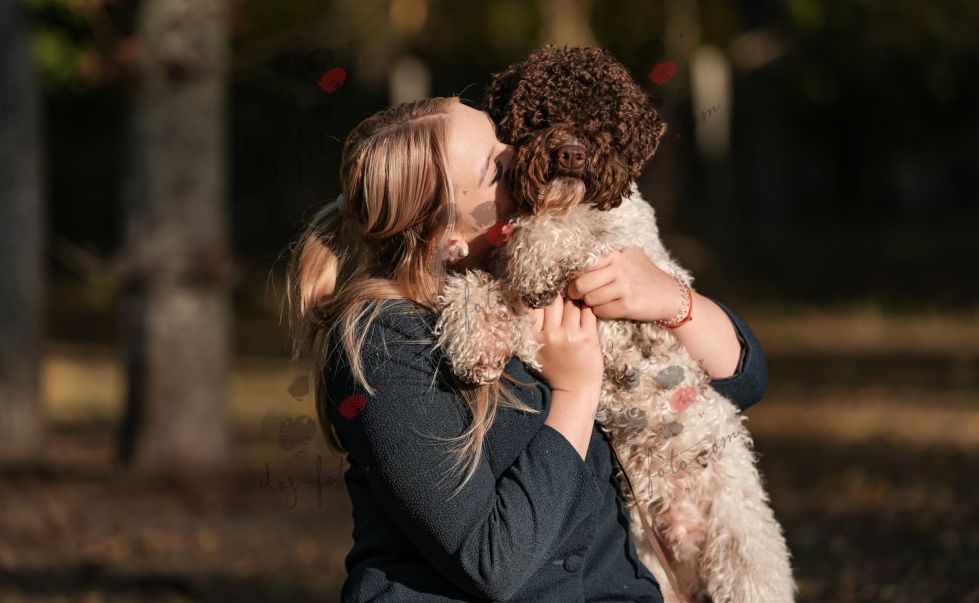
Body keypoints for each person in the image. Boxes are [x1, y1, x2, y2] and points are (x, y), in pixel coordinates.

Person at [285, 96, 768, 602]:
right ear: (448, 237)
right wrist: (576, 391)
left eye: (505, 137)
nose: (523, 155)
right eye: (496, 168)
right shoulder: (385, 343)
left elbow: (745, 382)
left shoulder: (537, 267)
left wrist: (672, 300)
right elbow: (491, 563)